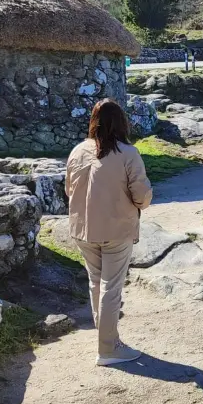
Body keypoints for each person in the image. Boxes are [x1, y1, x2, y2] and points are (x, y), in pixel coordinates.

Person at [66, 99, 153, 366]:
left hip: (82, 228)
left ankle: (106, 337)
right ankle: (108, 348)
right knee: (111, 287)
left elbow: (69, 190)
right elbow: (142, 196)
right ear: (121, 123)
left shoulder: (78, 150)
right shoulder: (128, 153)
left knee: (96, 282)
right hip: (116, 229)